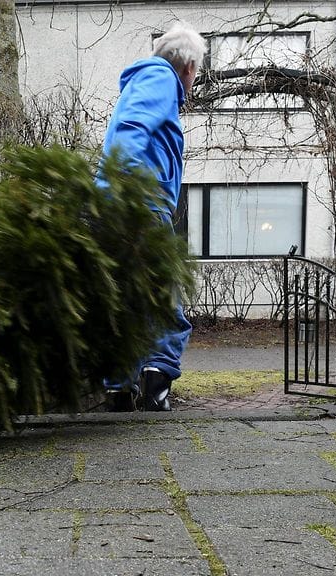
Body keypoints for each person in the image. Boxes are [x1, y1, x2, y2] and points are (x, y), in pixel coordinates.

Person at [97, 22, 205, 411]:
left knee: (125, 299)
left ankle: (118, 391)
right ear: (189, 66)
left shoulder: (145, 83)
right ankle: (155, 387)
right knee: (163, 299)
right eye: (197, 73)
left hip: (124, 205)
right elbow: (131, 130)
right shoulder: (159, 78)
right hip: (140, 206)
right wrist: (121, 193)